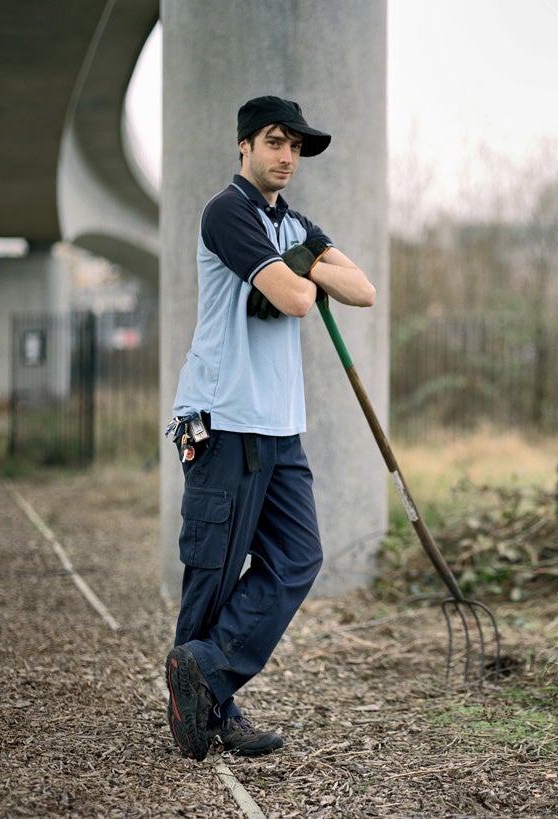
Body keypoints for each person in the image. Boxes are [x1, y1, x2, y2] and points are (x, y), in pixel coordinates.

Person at [163, 95, 376, 762]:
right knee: (215, 570)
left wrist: (305, 258)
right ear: (245, 146)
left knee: (298, 555)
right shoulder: (229, 212)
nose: (288, 156)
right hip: (225, 418)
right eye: (276, 141)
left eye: (296, 146)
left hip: (280, 426)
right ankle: (206, 713)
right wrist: (309, 266)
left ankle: (204, 669)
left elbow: (362, 287)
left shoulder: (293, 223)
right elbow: (297, 297)